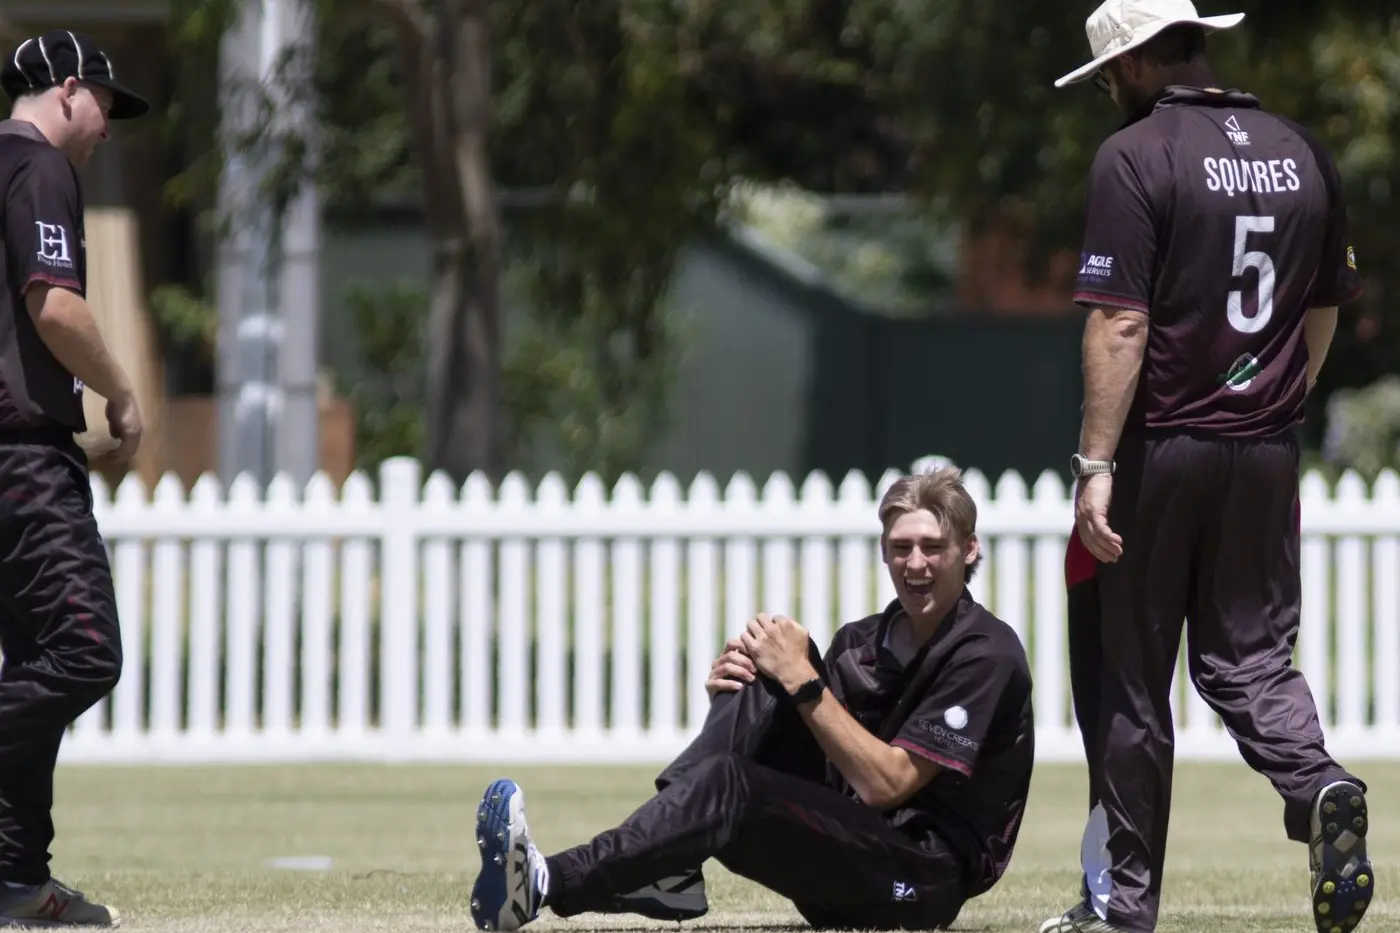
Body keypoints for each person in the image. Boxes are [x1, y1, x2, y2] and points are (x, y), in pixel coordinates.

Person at [1045, 2, 1371, 933]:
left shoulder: (1134, 156)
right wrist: (1272, 403)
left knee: (1132, 679)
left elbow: (1120, 321)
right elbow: (1323, 307)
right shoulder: (1299, 149)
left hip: (1162, 451)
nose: (1109, 89)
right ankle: (1318, 785)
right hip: (1266, 449)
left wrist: (1094, 463)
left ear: (1143, 60)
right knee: (1252, 658)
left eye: (1109, 72)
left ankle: (1127, 905)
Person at [468, 466, 1035, 932]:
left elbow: (885, 784)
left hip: (918, 880)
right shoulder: (860, 642)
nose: (916, 564)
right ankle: (670, 866)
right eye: (901, 547)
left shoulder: (986, 654)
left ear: (968, 550)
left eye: (934, 547)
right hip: (845, 848)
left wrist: (803, 684)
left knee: (759, 729)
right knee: (767, 656)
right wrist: (749, 684)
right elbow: (824, 746)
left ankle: (546, 882)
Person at [0, 29, 151, 927]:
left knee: (35, 666)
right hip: (21, 463)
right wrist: (122, 394)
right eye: (105, 105)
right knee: (85, 651)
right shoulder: (40, 167)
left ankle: (15, 882)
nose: (108, 129)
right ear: (66, 92)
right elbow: (54, 304)